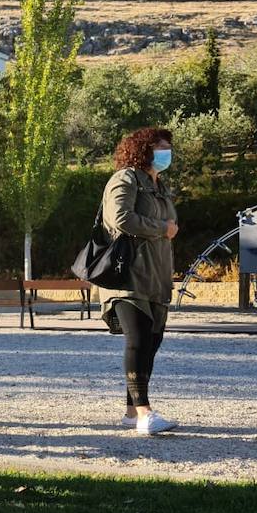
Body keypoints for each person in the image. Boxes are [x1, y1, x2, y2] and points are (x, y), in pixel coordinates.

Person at [99, 126, 180, 436]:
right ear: (144, 149)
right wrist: (162, 227)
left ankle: (132, 412)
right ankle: (145, 413)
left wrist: (165, 228)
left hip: (156, 277)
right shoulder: (125, 179)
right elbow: (119, 217)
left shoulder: (159, 185)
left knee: (152, 342)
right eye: (160, 147)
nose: (166, 153)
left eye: (167, 147)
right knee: (138, 339)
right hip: (128, 276)